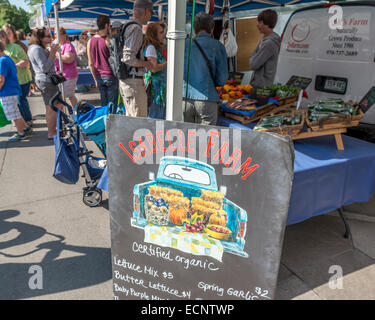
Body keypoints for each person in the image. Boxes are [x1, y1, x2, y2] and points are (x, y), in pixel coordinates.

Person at [182, 12, 228, 125]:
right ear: (212, 29)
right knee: (206, 139)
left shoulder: (183, 44)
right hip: (207, 99)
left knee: (185, 137)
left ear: (194, 29)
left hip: (184, 98)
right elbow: (222, 79)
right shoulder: (218, 46)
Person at [119, 0, 153, 118]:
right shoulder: (136, 28)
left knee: (131, 119)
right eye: (151, 13)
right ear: (146, 12)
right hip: (133, 82)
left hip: (126, 81)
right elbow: (128, 58)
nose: (150, 17)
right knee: (139, 123)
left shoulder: (126, 25)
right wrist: (146, 63)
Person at [28, 27, 61, 140]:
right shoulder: (36, 49)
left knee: (55, 105)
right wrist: (52, 53)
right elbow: (45, 68)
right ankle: (51, 132)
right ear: (40, 38)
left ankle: (54, 130)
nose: (50, 38)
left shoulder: (37, 48)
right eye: (48, 36)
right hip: (46, 81)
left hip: (46, 81)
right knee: (51, 107)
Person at [0, 29, 33, 127]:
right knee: (16, 107)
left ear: (5, 37)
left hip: (20, 79)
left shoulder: (15, 48)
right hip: (12, 83)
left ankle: (26, 123)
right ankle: (24, 126)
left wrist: (15, 66)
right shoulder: (5, 55)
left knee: (20, 102)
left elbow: (26, 61)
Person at [87, 15, 119, 107]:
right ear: (106, 25)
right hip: (110, 75)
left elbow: (91, 64)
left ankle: (105, 121)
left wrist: (95, 79)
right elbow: (115, 60)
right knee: (112, 106)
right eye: (109, 25)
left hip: (99, 77)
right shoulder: (108, 40)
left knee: (104, 106)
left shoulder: (90, 41)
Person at [249, 9, 281, 87]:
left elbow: (253, 64)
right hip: (263, 84)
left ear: (267, 24)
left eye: (260, 22)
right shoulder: (265, 39)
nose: (257, 25)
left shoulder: (269, 43)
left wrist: (253, 55)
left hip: (263, 86)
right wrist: (255, 55)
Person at [143, 22, 167, 119]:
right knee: (156, 118)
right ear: (154, 35)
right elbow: (153, 68)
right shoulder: (151, 48)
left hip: (158, 90)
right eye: (161, 33)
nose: (164, 35)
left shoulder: (154, 48)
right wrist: (169, 63)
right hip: (155, 92)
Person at [55, 27, 79, 108]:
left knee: (62, 97)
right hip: (61, 76)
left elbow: (69, 59)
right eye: (55, 34)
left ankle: (69, 115)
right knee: (70, 96)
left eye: (58, 34)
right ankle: (76, 114)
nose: (56, 37)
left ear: (64, 35)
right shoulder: (58, 46)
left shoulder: (68, 45)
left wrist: (56, 54)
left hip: (68, 76)